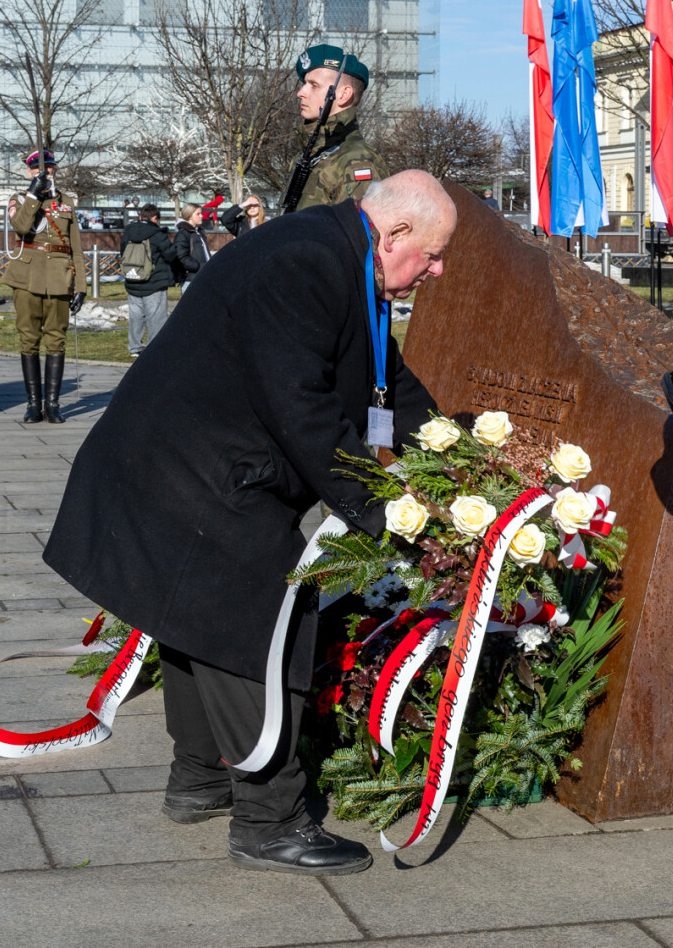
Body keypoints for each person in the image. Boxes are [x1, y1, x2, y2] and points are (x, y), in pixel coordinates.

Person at [42, 171, 456, 877]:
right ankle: (272, 820)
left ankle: (200, 779)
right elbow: (301, 405)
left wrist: (456, 450)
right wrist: (383, 508)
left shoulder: (342, 257)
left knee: (191, 620)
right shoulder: (307, 261)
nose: (438, 270)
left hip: (186, 465)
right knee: (254, 626)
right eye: (434, 254)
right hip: (187, 475)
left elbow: (387, 380)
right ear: (395, 234)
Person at [5, 149, 85, 424]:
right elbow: (21, 227)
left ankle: (52, 404)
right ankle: (32, 404)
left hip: (59, 278)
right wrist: (32, 194)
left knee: (56, 339)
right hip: (26, 278)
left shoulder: (67, 202)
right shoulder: (19, 200)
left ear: (55, 170)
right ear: (29, 172)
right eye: (38, 168)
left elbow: (76, 248)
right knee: (29, 339)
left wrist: (82, 286)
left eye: (49, 167)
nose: (44, 172)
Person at [287, 45, 385, 211]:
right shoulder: (307, 157)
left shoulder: (357, 162)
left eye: (314, 85)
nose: (301, 92)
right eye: (304, 83)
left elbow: (361, 235)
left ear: (343, 94)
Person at [121, 204, 179, 358]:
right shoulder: (157, 234)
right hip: (154, 282)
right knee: (156, 318)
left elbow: (122, 253)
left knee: (136, 316)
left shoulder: (127, 232)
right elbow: (170, 255)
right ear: (155, 218)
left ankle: (135, 347)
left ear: (140, 217)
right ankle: (154, 349)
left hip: (132, 280)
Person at [173, 202, 211, 295]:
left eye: (201, 213)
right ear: (189, 216)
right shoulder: (183, 234)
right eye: (198, 214)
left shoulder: (198, 232)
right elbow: (181, 256)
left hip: (203, 276)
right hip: (190, 280)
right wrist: (199, 266)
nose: (201, 216)